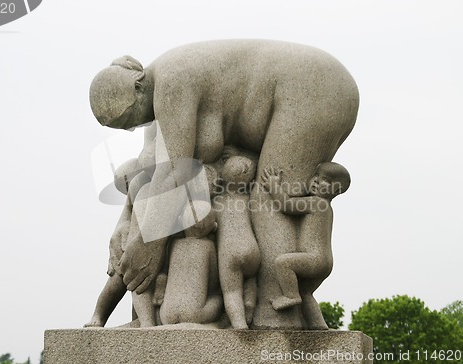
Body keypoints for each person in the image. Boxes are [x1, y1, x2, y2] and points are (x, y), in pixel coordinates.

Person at [89, 40, 359, 328]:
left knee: (270, 194)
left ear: (138, 88)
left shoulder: (171, 82)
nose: (134, 127)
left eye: (130, 118)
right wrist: (125, 221)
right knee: (266, 194)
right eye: (123, 126)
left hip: (309, 89)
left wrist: (148, 241)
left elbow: (174, 172)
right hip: (316, 85)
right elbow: (151, 171)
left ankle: (277, 318)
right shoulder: (159, 95)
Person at [84, 123, 161, 328]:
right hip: (135, 246)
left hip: (153, 242)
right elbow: (127, 215)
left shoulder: (153, 185)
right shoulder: (139, 187)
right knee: (121, 281)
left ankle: (142, 322)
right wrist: (123, 229)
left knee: (133, 281)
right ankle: (100, 315)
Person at [261, 162, 350, 329]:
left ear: (336, 191)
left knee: (283, 263)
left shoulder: (316, 203)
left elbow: (286, 205)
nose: (316, 181)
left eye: (325, 180)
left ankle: (291, 295)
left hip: (314, 259)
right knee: (307, 294)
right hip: (325, 262)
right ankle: (319, 326)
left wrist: (273, 185)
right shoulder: (327, 208)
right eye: (316, 176)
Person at [214, 155, 260, 329]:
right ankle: (249, 305)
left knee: (232, 291)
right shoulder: (248, 200)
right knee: (251, 279)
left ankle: (239, 323)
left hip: (230, 253)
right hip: (252, 250)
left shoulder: (217, 202)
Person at [159, 203, 223, 325]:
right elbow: (213, 281)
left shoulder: (174, 244)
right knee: (218, 298)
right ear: (213, 226)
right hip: (194, 315)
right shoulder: (208, 246)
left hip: (166, 315)